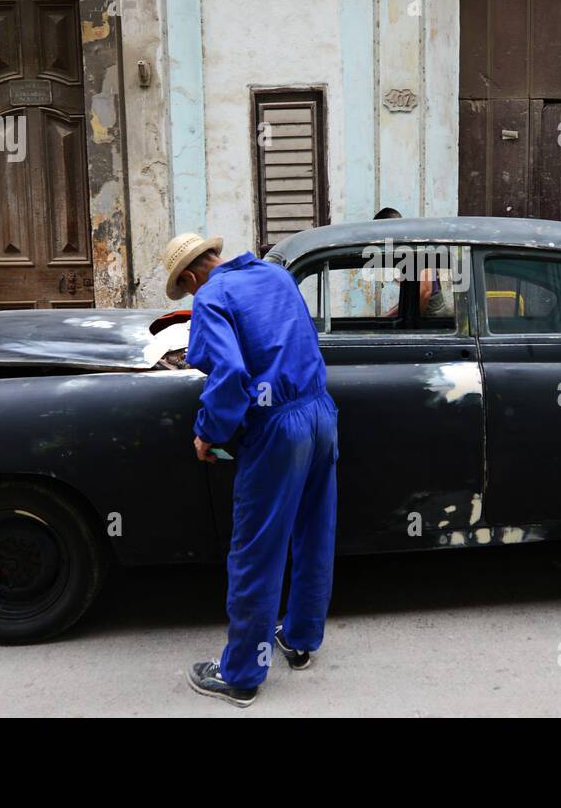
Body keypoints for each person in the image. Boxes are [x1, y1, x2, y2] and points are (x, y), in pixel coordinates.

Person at [161, 231, 339, 707]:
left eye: (188, 288)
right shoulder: (275, 274)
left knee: (256, 549)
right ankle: (299, 640)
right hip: (321, 413)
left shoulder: (213, 296)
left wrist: (208, 431)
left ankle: (240, 674)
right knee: (313, 531)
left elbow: (230, 377)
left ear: (192, 275)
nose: (193, 295)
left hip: (278, 428)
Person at [373, 207, 454, 318]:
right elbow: (411, 299)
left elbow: (425, 292)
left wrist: (412, 326)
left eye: (380, 234)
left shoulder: (416, 245)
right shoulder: (404, 249)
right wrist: (387, 315)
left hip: (432, 318)